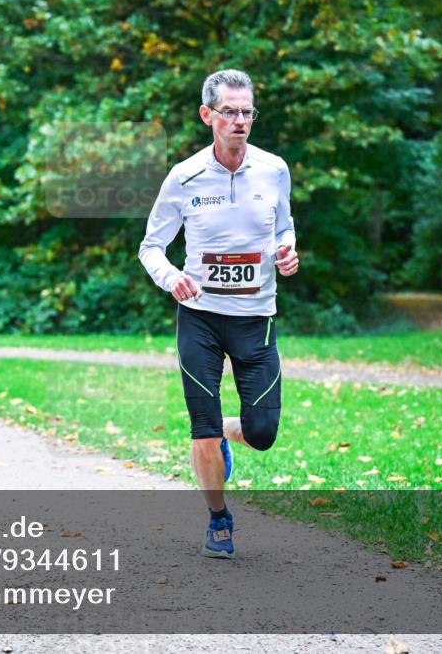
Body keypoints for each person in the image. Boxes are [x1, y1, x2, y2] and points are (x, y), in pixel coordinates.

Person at [139, 69, 298, 559]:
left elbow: (284, 228)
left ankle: (234, 431)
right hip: (201, 318)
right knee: (201, 427)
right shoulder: (183, 176)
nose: (240, 121)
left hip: (257, 318)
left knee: (263, 434)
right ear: (208, 115)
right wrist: (173, 279)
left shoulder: (274, 170)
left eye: (247, 111)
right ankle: (219, 520)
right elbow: (151, 248)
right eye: (229, 111)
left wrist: (287, 252)